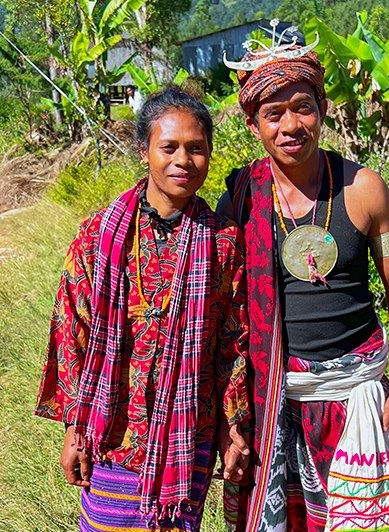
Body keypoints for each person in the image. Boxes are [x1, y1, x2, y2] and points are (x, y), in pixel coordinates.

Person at [219, 24, 389, 532]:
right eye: (273, 114)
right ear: (253, 124)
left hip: (355, 395)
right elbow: (221, 308)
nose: (291, 124)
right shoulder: (242, 198)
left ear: (323, 109)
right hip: (273, 401)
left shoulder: (364, 189)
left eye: (303, 107)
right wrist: (228, 415)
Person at [35, 87, 251, 531]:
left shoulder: (224, 242)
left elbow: (233, 345)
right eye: (168, 147)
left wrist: (234, 429)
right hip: (113, 431)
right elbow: (71, 333)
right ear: (144, 151)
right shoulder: (100, 233)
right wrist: (75, 432)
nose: (183, 161)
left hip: (187, 432)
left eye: (196, 149)